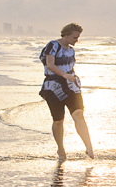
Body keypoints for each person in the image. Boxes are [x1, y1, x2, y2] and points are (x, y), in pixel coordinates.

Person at [39, 23, 94, 160]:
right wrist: (64, 75)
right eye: (75, 37)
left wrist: (73, 79)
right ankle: (61, 149)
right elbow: (50, 65)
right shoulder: (53, 45)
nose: (77, 40)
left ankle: (89, 146)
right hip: (53, 87)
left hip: (71, 86)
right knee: (58, 120)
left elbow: (70, 68)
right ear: (67, 35)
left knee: (78, 114)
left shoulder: (71, 50)